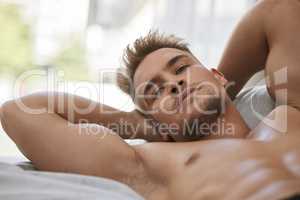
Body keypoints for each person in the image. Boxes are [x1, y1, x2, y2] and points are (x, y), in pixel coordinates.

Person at [1, 0, 300, 199]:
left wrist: (216, 91)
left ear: (219, 75)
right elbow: (21, 113)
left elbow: (279, 10)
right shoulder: (152, 165)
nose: (172, 85)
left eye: (181, 68)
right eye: (154, 92)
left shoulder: (289, 110)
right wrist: (141, 124)